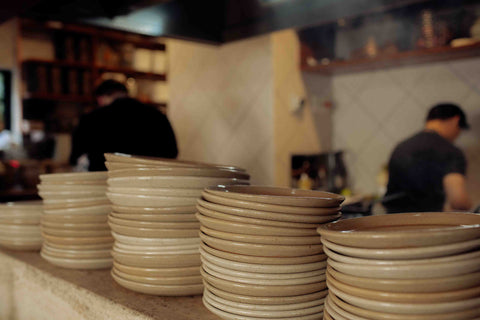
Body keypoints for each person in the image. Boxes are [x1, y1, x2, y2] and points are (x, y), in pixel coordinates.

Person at [69, 79, 178, 171]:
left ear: (101, 98)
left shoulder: (91, 119)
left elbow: (75, 158)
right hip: (150, 184)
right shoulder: (157, 115)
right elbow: (172, 152)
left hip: (105, 185)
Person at [383, 103, 472, 213]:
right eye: (459, 129)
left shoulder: (401, 147)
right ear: (456, 120)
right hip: (427, 223)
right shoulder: (451, 151)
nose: (457, 135)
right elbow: (458, 200)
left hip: (393, 221)